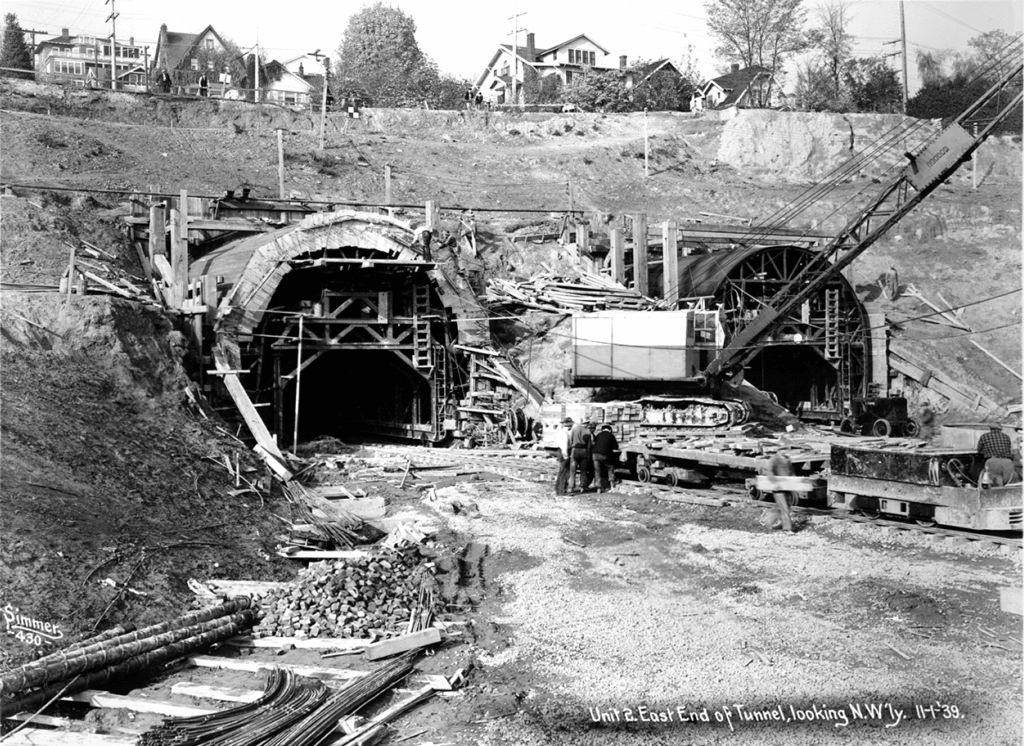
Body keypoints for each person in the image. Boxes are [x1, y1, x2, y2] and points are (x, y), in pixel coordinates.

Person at [766, 452, 795, 532]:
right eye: (783, 449)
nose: (785, 451)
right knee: (785, 508)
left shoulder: (787, 460)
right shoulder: (774, 459)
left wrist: (796, 482)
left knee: (785, 508)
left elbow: (791, 472)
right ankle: (787, 529)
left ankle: (770, 522)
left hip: (787, 487)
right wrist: (775, 483)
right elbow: (769, 473)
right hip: (778, 489)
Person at [592, 424, 619, 492]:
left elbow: (595, 443)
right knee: (610, 467)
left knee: (597, 471)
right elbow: (615, 447)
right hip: (604, 455)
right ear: (610, 430)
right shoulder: (611, 435)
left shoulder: (598, 435)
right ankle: (612, 485)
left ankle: (598, 488)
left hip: (595, 454)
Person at [568, 418, 593, 493]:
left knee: (573, 471)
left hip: (575, 449)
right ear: (586, 423)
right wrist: (588, 454)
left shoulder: (574, 429)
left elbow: (570, 440)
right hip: (584, 451)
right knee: (583, 470)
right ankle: (582, 487)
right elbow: (589, 445)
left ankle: (571, 487)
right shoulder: (587, 431)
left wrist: (570, 449)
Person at [553, 417, 572, 496]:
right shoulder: (565, 433)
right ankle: (561, 491)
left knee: (561, 471)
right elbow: (564, 445)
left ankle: (557, 489)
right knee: (564, 472)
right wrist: (566, 455)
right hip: (564, 452)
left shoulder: (560, 432)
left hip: (559, 452)